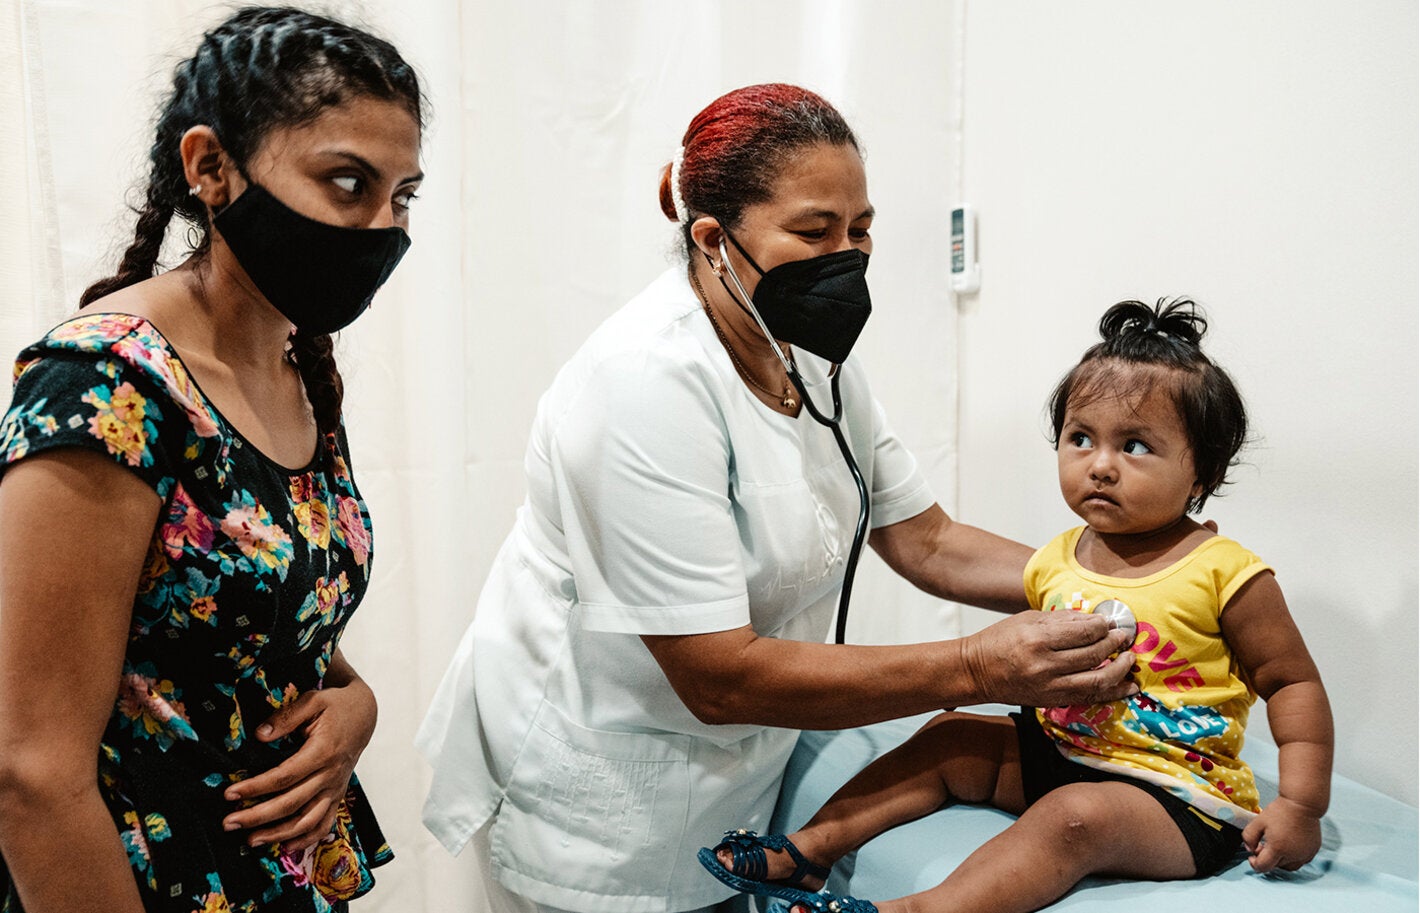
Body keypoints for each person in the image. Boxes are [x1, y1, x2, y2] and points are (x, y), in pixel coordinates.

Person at [417, 83, 1137, 913]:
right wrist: (978, 665)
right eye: (814, 231)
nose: (848, 254)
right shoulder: (639, 387)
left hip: (736, 772)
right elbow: (717, 677)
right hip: (604, 808)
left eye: (861, 228)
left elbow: (927, 540)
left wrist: (1118, 586)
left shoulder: (809, 354)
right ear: (715, 240)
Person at [700, 298, 1335, 913]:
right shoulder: (1060, 557)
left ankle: (911, 910)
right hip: (1059, 753)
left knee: (1074, 817)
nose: (1101, 466)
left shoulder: (1226, 572)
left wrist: (1301, 807)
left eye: (1135, 446)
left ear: (1202, 474)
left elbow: (1292, 682)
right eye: (1080, 438)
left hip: (1176, 799)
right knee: (950, 738)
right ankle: (808, 851)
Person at [0, 7, 425, 912]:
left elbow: (268, 626)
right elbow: (29, 770)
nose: (381, 226)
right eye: (346, 181)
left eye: (401, 194)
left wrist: (357, 708)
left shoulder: (295, 362)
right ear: (210, 167)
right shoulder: (105, 386)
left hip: (280, 876)